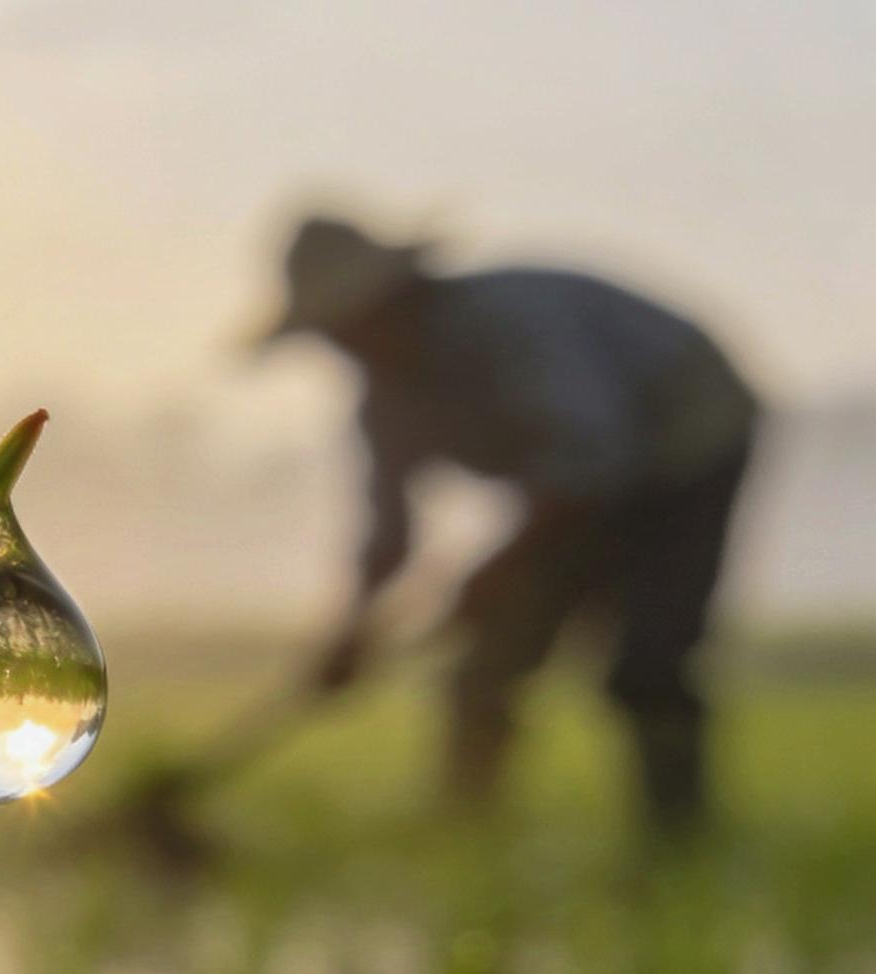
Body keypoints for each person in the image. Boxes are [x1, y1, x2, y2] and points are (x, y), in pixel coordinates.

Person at [249, 213, 758, 831]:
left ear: (393, 300)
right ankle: (464, 835)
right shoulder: (384, 397)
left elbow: (594, 456)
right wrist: (354, 631)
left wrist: (493, 568)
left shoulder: (510, 323)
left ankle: (678, 843)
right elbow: (390, 533)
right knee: (482, 669)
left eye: (351, 327)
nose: (347, 347)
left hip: (688, 452)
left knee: (648, 661)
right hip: (576, 485)